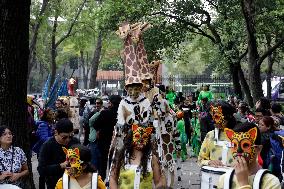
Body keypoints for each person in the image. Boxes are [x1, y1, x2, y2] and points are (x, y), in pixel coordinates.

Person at [218, 122, 281, 189]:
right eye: (234, 145)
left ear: (258, 149)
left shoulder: (270, 182)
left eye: (245, 145)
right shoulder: (224, 179)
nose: (239, 151)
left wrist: (243, 184)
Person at [38, 118, 80, 189]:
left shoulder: (75, 142)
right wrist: (60, 166)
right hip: (55, 185)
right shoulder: (47, 146)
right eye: (64, 137)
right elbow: (41, 170)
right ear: (56, 132)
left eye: (70, 136)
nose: (68, 140)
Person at [92, 95, 122, 180]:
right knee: (116, 162)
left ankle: (102, 180)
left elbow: (95, 124)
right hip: (118, 141)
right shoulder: (122, 113)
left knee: (103, 163)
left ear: (111, 103)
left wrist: (99, 130)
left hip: (104, 141)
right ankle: (115, 179)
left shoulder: (105, 112)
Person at [198, 100, 236, 167]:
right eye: (212, 116)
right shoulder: (210, 136)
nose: (213, 120)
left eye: (217, 117)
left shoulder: (240, 135)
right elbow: (201, 160)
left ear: (227, 117)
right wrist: (209, 162)